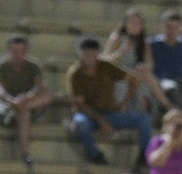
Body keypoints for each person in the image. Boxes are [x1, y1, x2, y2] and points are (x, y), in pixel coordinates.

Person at [66, 37, 155, 167]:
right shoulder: (74, 74)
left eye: (93, 54)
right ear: (80, 54)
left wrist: (124, 103)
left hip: (111, 113)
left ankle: (144, 157)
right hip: (89, 115)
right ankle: (95, 155)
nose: (90, 58)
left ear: (97, 53)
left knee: (144, 119)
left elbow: (133, 80)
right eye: (86, 54)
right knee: (81, 123)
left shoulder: (106, 66)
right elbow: (80, 105)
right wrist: (102, 122)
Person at [0, 34, 53, 160]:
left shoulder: (34, 66)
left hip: (26, 103)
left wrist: (27, 98)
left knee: (45, 98)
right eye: (14, 51)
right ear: (8, 51)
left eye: (22, 52)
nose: (18, 55)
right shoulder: (0, 66)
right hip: (7, 103)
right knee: (24, 114)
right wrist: (13, 101)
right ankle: (24, 152)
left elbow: (40, 87)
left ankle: (24, 109)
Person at [104, 8, 171, 116]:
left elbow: (149, 63)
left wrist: (143, 67)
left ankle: (145, 112)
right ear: (125, 23)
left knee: (145, 78)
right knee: (130, 82)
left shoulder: (144, 43)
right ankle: (167, 105)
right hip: (117, 72)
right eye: (132, 22)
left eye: (138, 23)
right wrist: (122, 50)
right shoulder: (117, 38)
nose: (135, 25)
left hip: (135, 73)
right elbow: (105, 61)